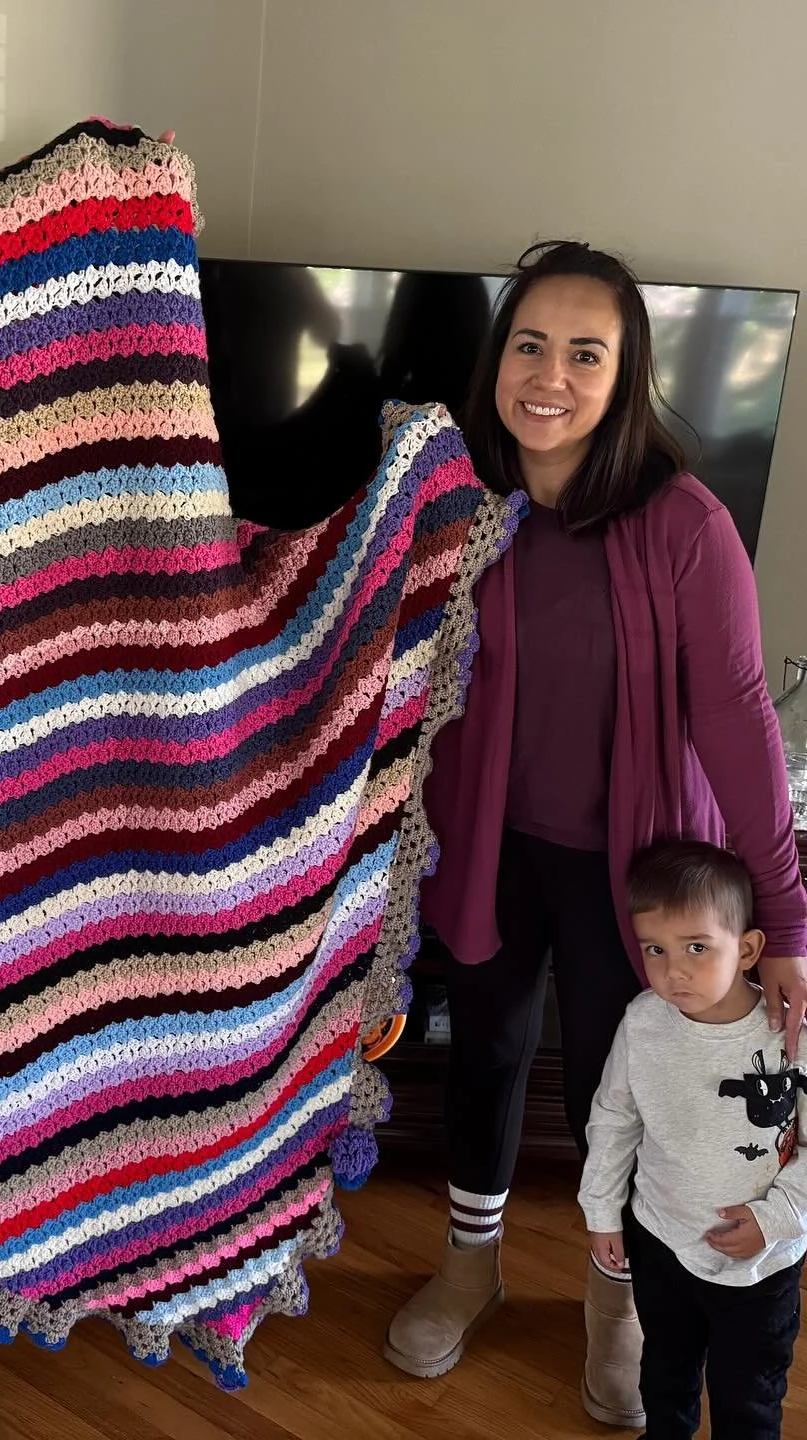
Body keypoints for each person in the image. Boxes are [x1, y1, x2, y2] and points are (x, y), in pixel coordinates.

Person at [383, 241, 807, 1429]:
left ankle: (613, 1301)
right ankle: (472, 1263)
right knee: (489, 1055)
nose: (551, 374)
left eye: (586, 351)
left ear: (626, 374)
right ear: (497, 357)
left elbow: (738, 730)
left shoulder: (686, 526)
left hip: (641, 876)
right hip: (488, 847)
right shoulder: (458, 501)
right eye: (531, 343)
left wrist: (785, 915)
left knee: (629, 1088)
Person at [580, 840, 806, 1439]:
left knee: (749, 1402)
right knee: (666, 1380)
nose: (672, 969)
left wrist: (778, 1216)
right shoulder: (642, 1021)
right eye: (656, 948)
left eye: (697, 947)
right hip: (660, 1242)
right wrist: (602, 1211)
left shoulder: (789, 1034)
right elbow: (613, 1117)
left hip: (761, 1267)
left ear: (749, 948)